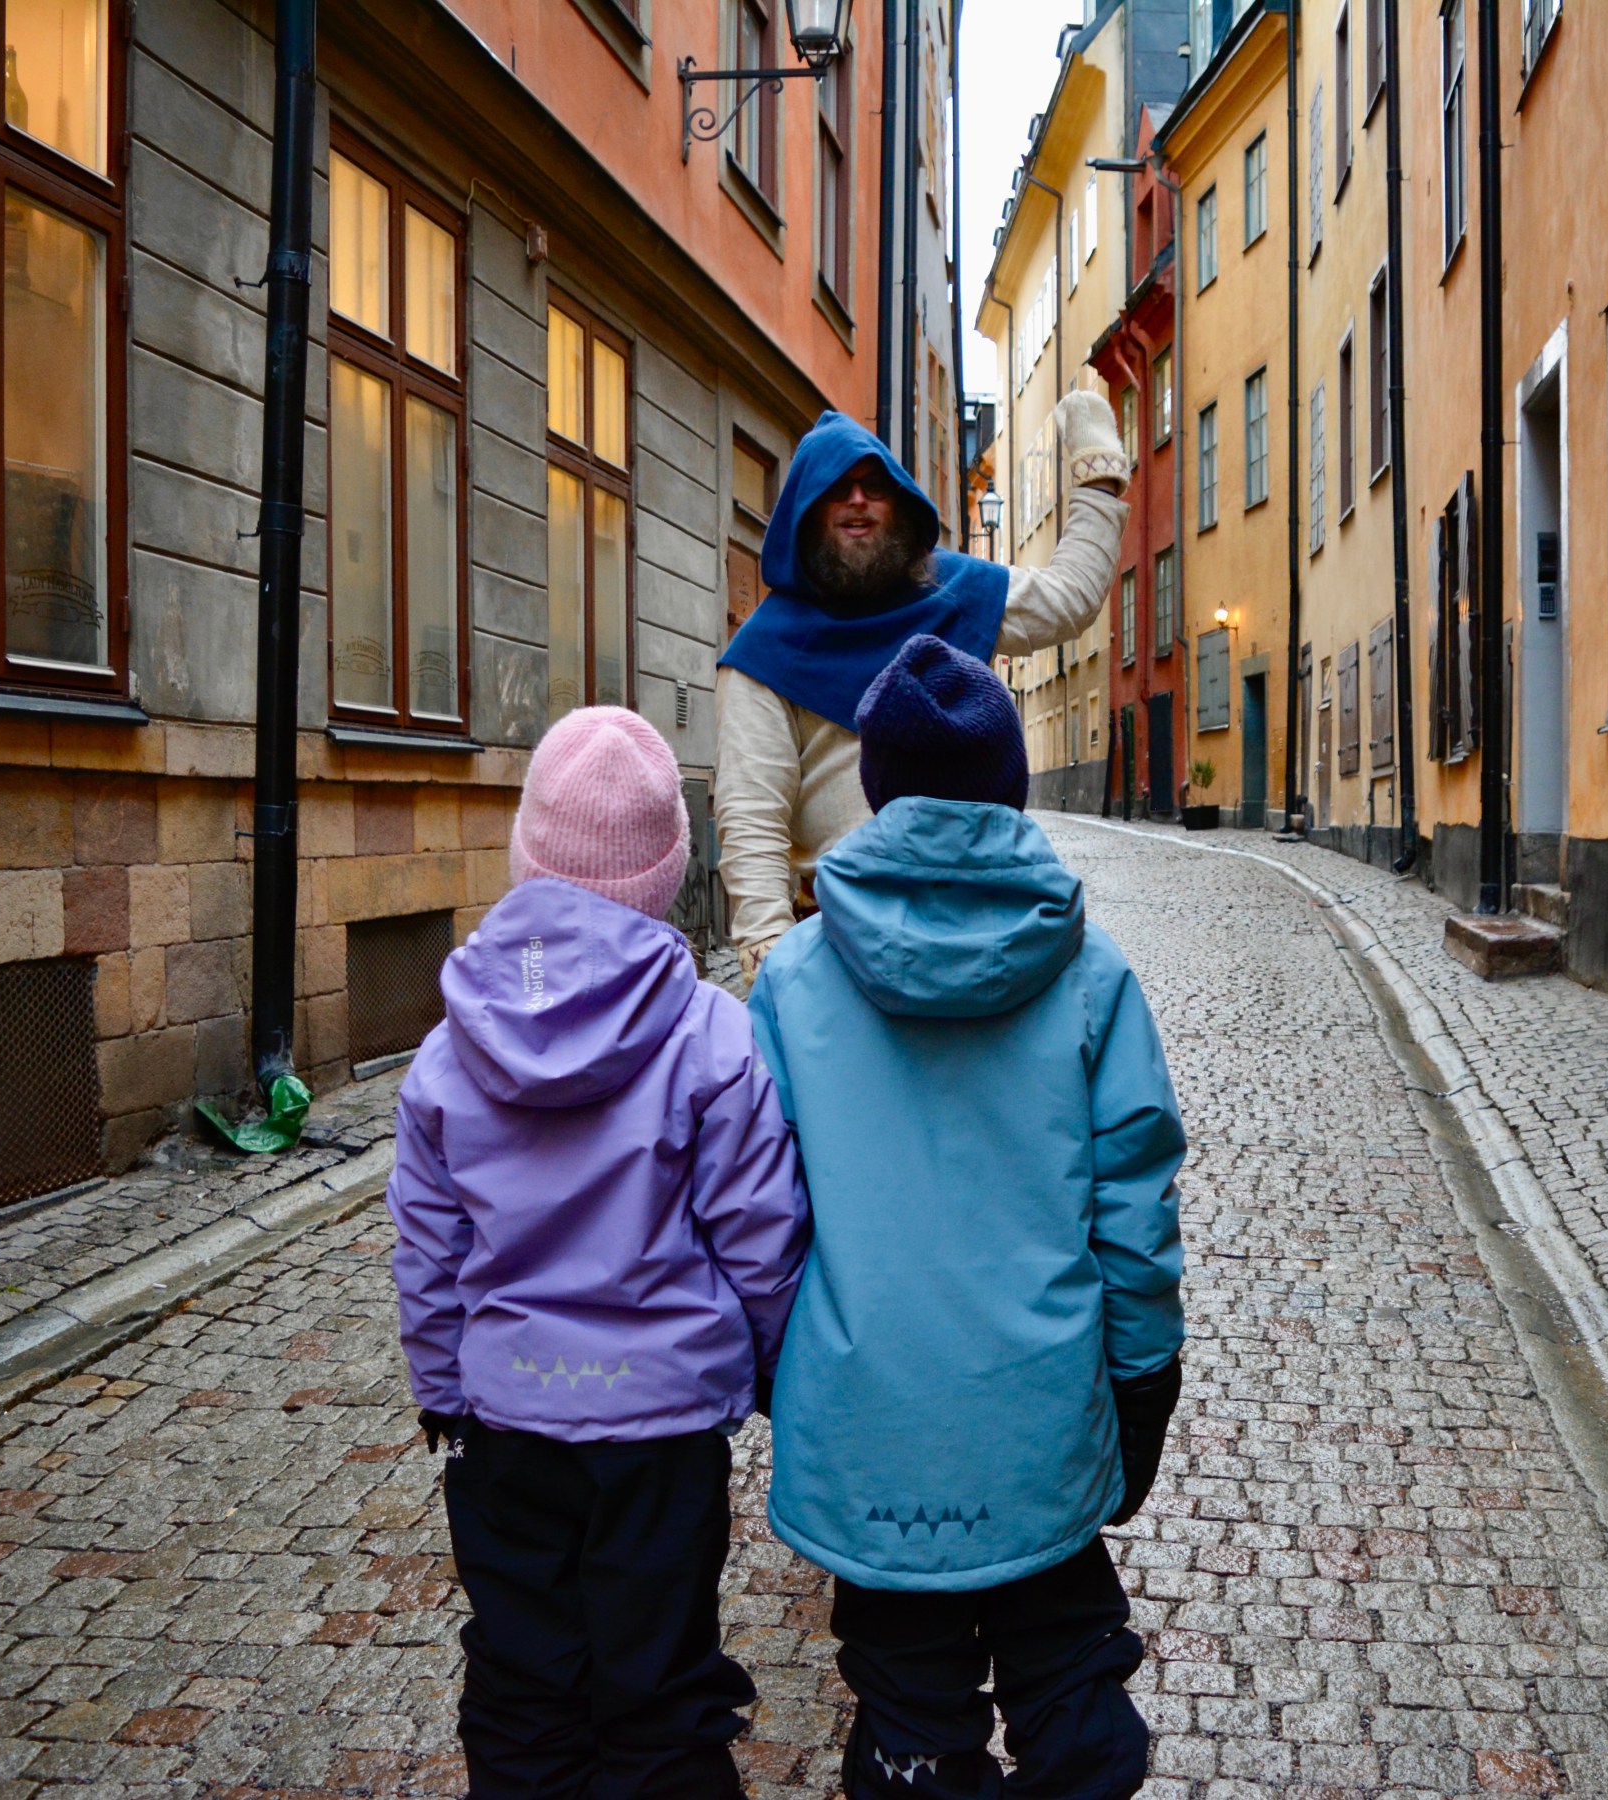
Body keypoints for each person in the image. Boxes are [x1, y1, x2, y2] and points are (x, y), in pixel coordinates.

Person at [748, 634, 1188, 1800]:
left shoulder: (792, 984)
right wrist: (1142, 1383)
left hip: (871, 1429)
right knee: (1072, 1688)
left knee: (909, 1721)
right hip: (1038, 1423)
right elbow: (1135, 1218)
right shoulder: (1091, 979)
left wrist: (775, 1376)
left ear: (876, 789)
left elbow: (758, 1223)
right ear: (1012, 789)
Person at [385, 705, 811, 1800]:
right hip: (663, 1438)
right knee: (663, 1689)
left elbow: (428, 1251)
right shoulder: (712, 1038)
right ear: (668, 871)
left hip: (506, 1427)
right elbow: (762, 1241)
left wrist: (440, 1385)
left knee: (525, 1687)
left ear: (528, 851)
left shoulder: (449, 1047)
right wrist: (769, 1372)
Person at [716, 393, 1130, 982]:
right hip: (840, 947)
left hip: (980, 925)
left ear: (902, 506)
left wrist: (1098, 472)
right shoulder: (764, 655)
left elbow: (1067, 600)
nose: (856, 499)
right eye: (836, 488)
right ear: (805, 513)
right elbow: (752, 820)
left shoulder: (951, 592)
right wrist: (774, 971)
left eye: (873, 486)